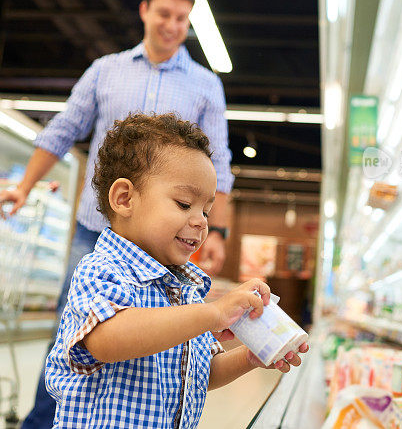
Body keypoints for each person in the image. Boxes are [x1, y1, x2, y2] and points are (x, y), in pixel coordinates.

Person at [0, 0, 234, 428]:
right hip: (96, 228)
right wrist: (23, 186)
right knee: (78, 333)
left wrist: (214, 227)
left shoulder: (206, 86)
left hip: (163, 243)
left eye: (182, 19)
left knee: (169, 338)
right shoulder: (106, 70)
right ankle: (45, 422)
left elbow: (217, 166)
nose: (172, 25)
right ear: (145, 11)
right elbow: (65, 129)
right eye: (165, 14)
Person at [45, 113, 309, 428]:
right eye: (184, 204)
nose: (201, 221)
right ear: (125, 199)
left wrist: (251, 356)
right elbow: (107, 339)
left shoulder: (183, 288)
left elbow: (198, 374)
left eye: (206, 210)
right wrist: (212, 314)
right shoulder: (102, 268)